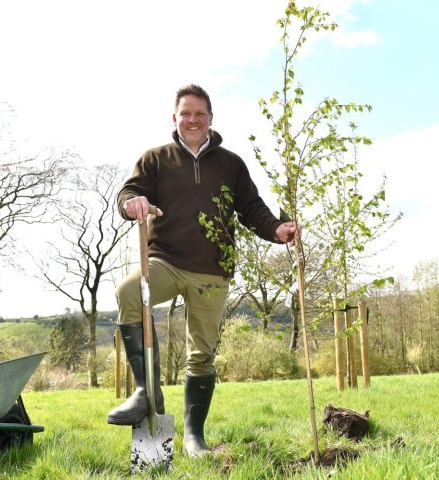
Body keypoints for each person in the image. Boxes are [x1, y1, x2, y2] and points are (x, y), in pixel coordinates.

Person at [107, 84, 298, 457]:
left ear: (211, 119)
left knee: (202, 353)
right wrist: (133, 203)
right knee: (129, 292)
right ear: (174, 118)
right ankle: (148, 392)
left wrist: (277, 230)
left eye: (199, 114)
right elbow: (128, 192)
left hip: (213, 270)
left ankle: (195, 438)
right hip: (165, 260)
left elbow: (252, 209)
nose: (192, 120)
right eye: (185, 113)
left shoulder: (231, 163)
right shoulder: (155, 159)